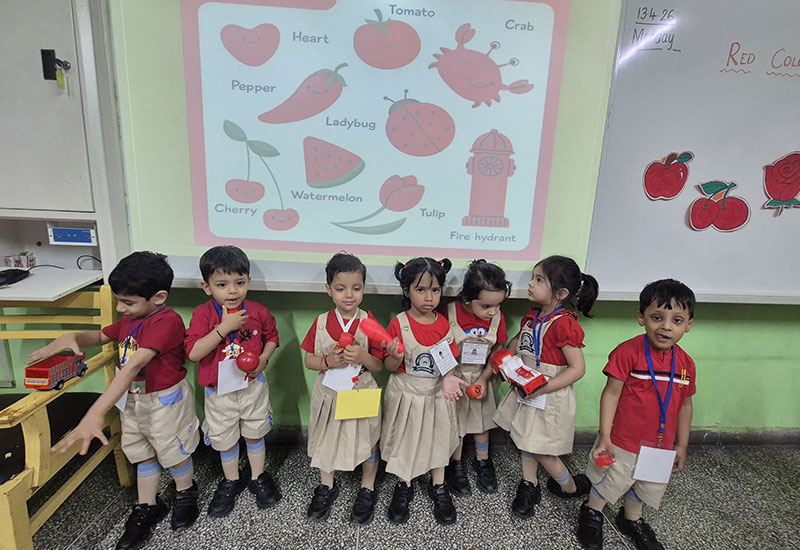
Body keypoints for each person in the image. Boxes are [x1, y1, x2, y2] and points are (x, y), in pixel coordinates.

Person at [29, 251, 200, 549]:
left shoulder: (167, 322)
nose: (120, 308)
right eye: (118, 300)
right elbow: (100, 337)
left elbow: (133, 366)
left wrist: (95, 413)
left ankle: (185, 491)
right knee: (141, 450)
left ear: (158, 297)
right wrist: (73, 336)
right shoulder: (131, 319)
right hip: (133, 399)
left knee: (174, 450)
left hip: (165, 400)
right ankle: (147, 506)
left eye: (127, 302)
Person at [577, 279, 696, 550]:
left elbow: (685, 405)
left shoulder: (686, 364)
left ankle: (631, 518)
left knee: (646, 484)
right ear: (642, 318)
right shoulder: (627, 352)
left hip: (660, 445)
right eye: (657, 317)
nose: (666, 326)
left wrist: (681, 445)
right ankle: (592, 511)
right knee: (609, 480)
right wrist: (604, 435)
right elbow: (611, 394)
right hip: (622, 441)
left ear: (688, 324)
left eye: (677, 320)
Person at [493, 255, 599, 518]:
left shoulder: (565, 324)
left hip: (548, 393)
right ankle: (530, 483)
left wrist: (544, 387)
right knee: (526, 438)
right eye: (533, 278)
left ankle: (569, 486)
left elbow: (578, 369)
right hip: (528, 386)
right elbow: (519, 341)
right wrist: (505, 358)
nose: (530, 283)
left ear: (561, 294)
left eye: (539, 280)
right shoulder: (533, 316)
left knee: (542, 450)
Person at [184, 246, 280, 518]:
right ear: (207, 287)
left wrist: (264, 359)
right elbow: (193, 353)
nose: (232, 291)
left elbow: (272, 337)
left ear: (248, 281)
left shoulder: (258, 311)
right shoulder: (203, 314)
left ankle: (258, 476)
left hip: (252, 386)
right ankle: (231, 480)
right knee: (224, 438)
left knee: (254, 431)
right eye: (222, 284)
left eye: (239, 282)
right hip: (219, 391)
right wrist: (224, 328)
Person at [299, 253, 384, 524]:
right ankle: (326, 485)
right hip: (329, 392)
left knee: (368, 437)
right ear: (329, 290)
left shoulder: (369, 322)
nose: (349, 295)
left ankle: (367, 486)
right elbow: (309, 360)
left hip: (360, 389)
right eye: (340, 288)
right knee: (327, 437)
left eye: (356, 288)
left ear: (364, 288)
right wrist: (327, 361)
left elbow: (379, 365)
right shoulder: (321, 322)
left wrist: (362, 356)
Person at [381, 257, 461, 525]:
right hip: (405, 393)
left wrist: (449, 378)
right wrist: (394, 356)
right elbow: (390, 367)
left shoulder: (443, 325)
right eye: (421, 289)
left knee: (438, 437)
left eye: (435, 290)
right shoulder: (398, 324)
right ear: (406, 291)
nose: (429, 297)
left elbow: (448, 361)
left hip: (436, 394)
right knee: (406, 438)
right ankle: (404, 483)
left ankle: (439, 484)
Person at [441, 260, 511, 496]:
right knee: (457, 424)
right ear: (467, 299)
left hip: (482, 376)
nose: (493, 311)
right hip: (456, 377)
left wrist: (484, 378)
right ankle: (456, 463)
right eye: (486, 306)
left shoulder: (497, 318)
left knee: (482, 422)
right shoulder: (449, 312)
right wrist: (449, 377)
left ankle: (483, 460)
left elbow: (498, 350)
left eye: (498, 305)